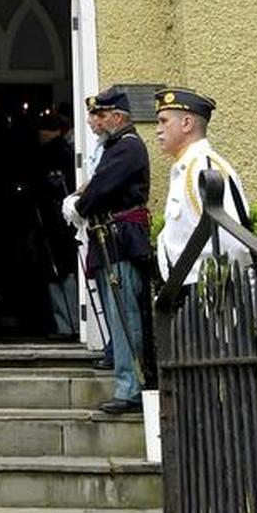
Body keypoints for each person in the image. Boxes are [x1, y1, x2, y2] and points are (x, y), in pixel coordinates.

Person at [63, 85, 150, 414]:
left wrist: (79, 205)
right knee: (116, 312)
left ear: (118, 116)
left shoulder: (126, 147)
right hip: (108, 238)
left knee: (124, 313)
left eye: (98, 115)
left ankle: (130, 389)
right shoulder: (114, 146)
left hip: (120, 239)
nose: (92, 121)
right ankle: (123, 372)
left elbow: (102, 186)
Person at [154, 87, 250, 286]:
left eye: (164, 121)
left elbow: (235, 243)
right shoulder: (188, 167)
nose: (158, 130)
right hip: (189, 296)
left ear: (187, 123)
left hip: (211, 295)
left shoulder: (205, 168)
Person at [31, 105, 79, 336]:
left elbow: (48, 187)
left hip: (57, 223)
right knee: (61, 272)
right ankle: (69, 325)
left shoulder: (55, 153)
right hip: (58, 222)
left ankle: (68, 325)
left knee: (60, 272)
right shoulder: (65, 152)